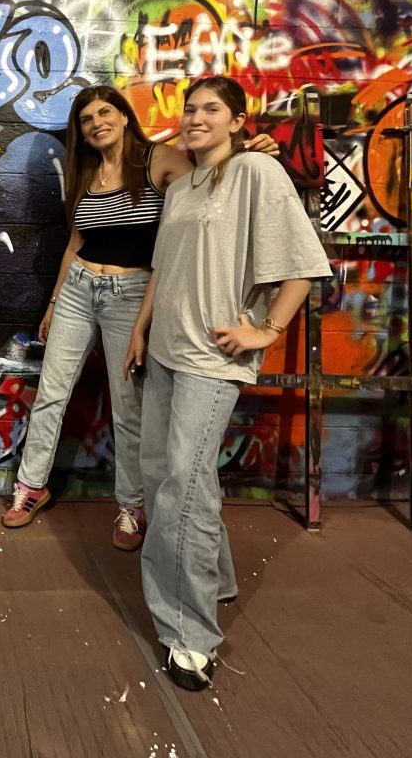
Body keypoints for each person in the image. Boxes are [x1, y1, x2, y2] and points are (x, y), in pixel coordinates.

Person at [1, 85, 278, 551]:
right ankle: (30, 488)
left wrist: (248, 149)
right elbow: (76, 241)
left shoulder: (160, 160)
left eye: (104, 112)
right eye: (87, 119)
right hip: (78, 288)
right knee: (51, 391)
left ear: (125, 116)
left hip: (132, 293)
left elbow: (210, 185)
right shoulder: (84, 171)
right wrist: (51, 303)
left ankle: (131, 507)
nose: (96, 123)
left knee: (127, 405)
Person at [124, 75, 330, 691]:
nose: (196, 117)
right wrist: (141, 328)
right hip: (164, 351)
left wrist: (266, 330)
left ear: (239, 121)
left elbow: (302, 264)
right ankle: (219, 580)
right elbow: (163, 269)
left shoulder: (256, 176)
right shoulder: (183, 185)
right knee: (170, 475)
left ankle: (188, 634)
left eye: (212, 109)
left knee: (181, 490)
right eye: (189, 109)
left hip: (210, 363)